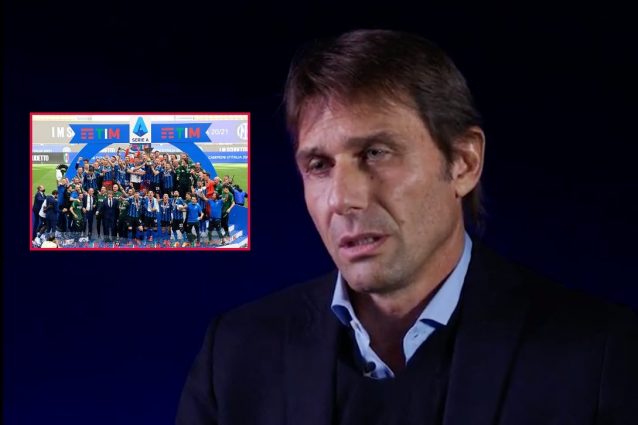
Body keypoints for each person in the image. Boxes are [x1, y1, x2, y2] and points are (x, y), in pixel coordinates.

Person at [176, 30, 638, 424]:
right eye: (319, 165)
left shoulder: (600, 356)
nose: (342, 199)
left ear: (464, 163)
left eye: (376, 153)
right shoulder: (235, 356)